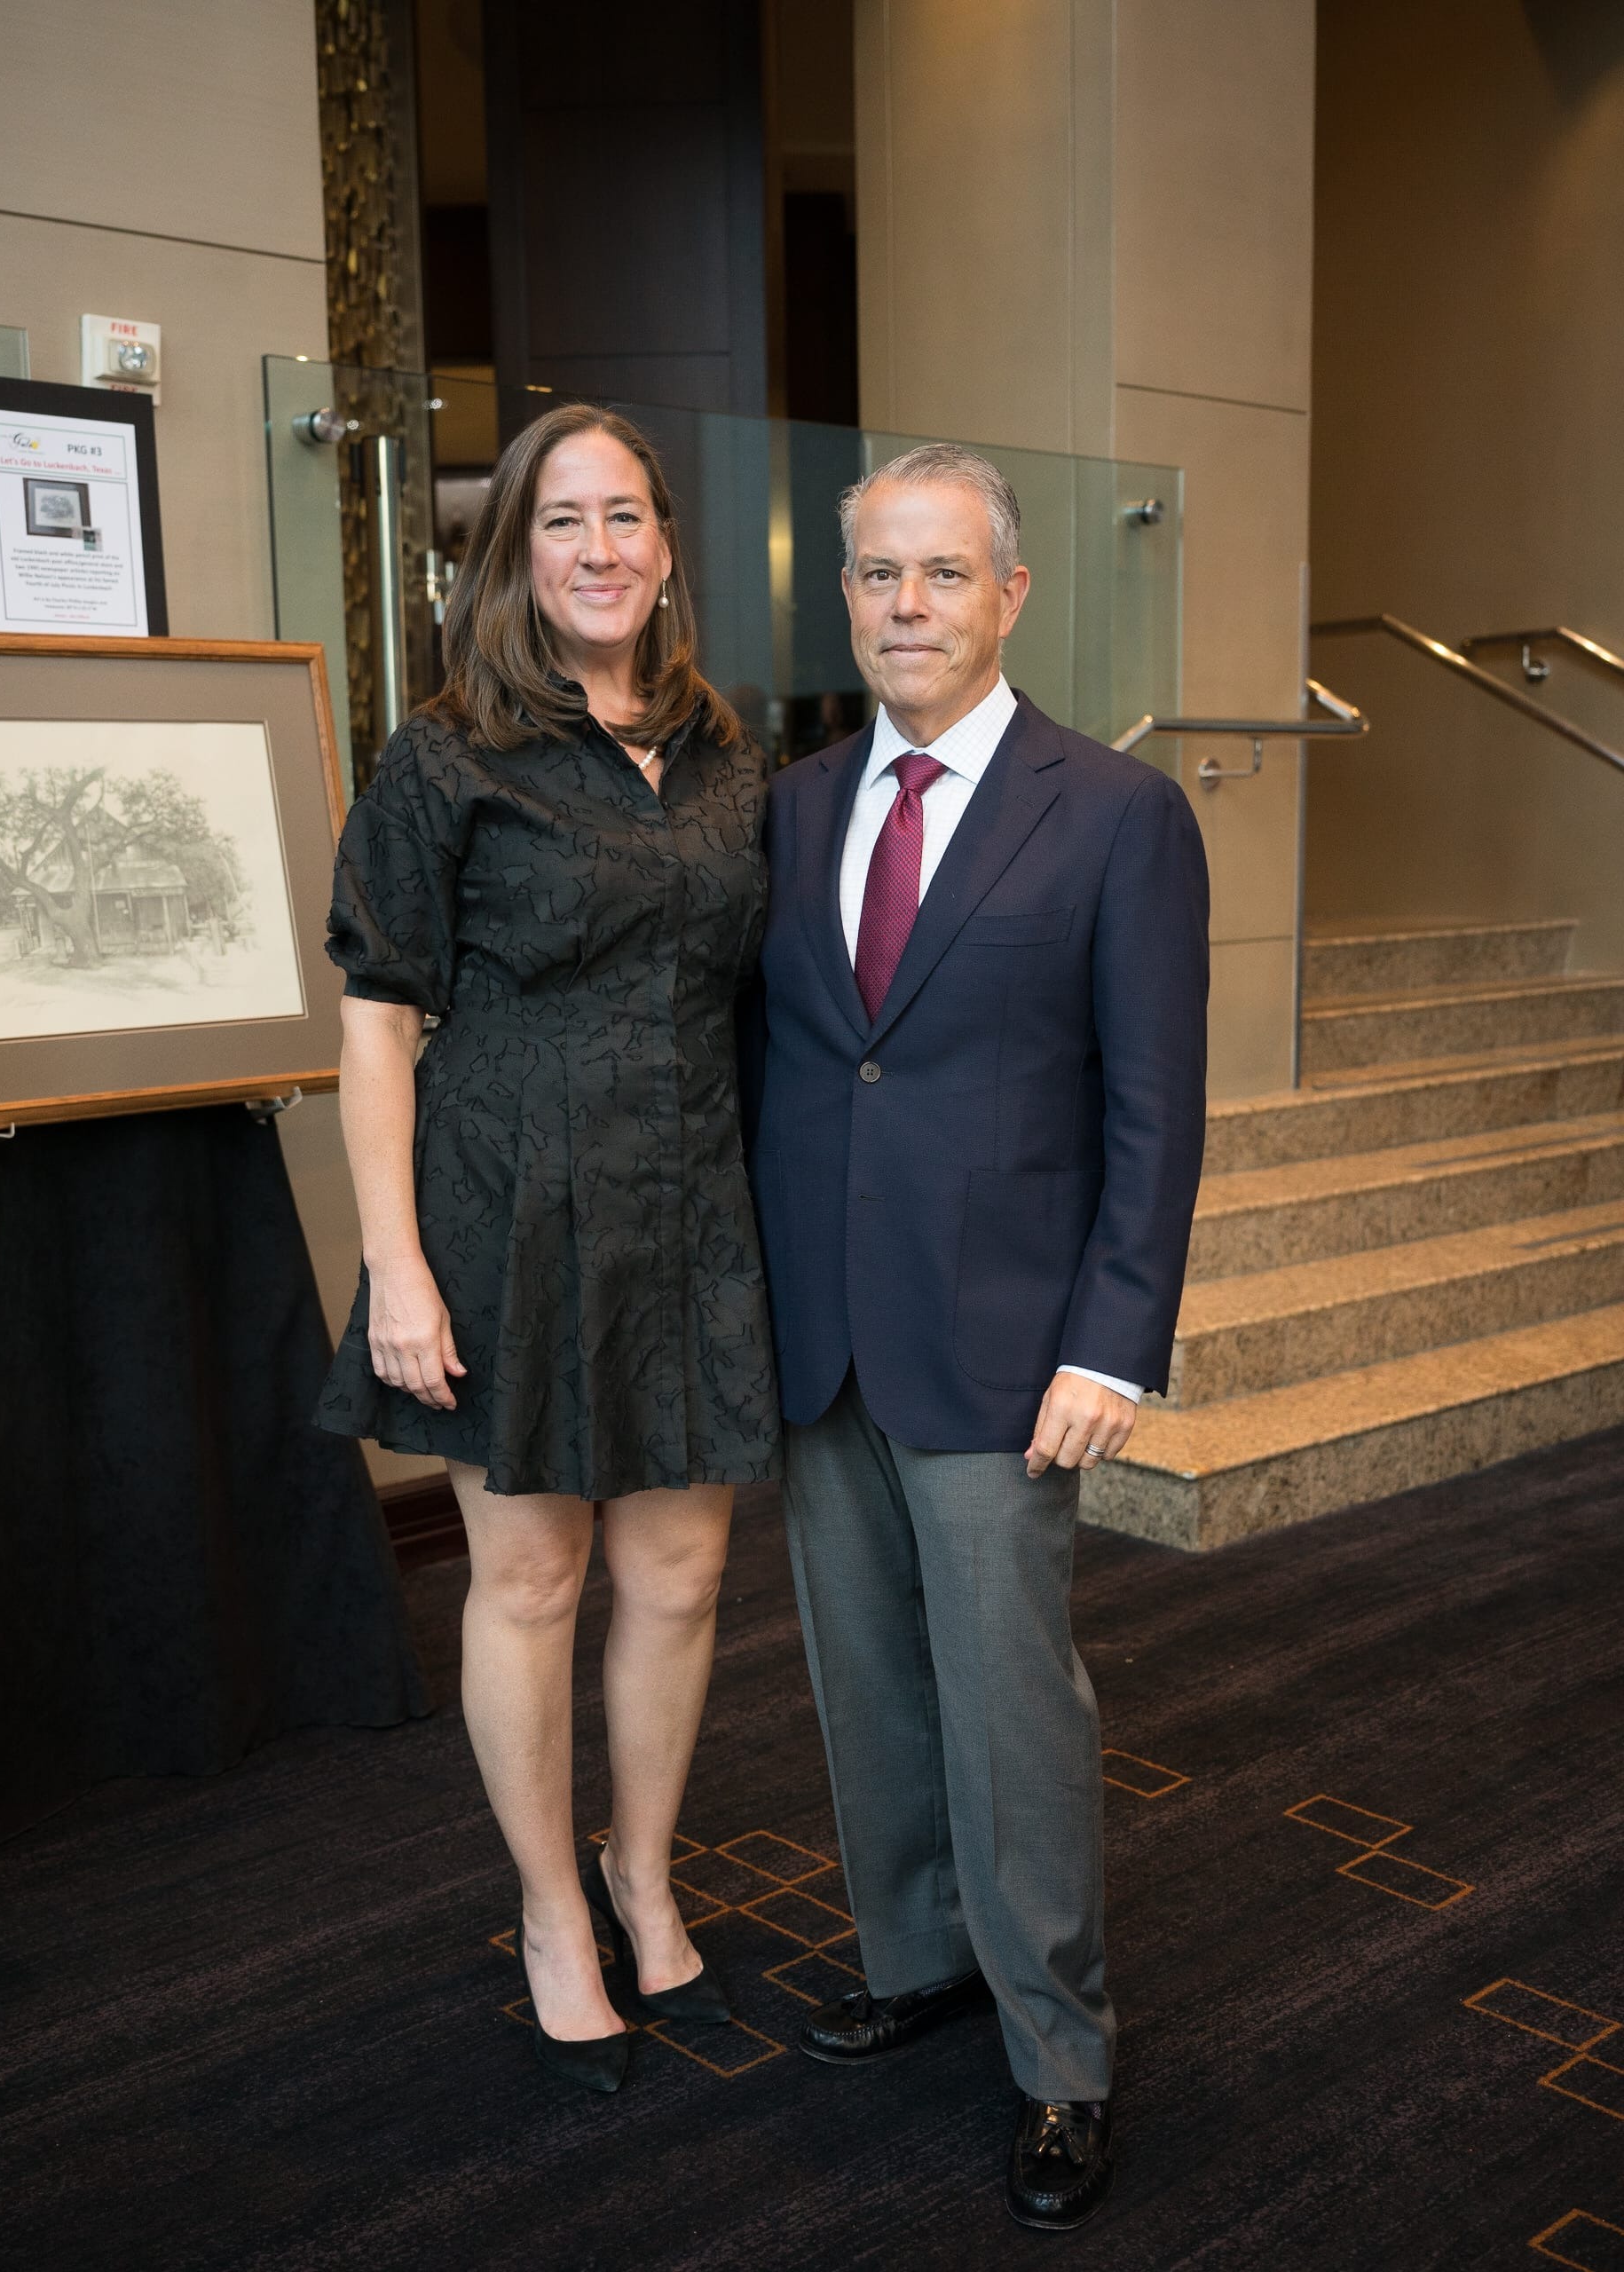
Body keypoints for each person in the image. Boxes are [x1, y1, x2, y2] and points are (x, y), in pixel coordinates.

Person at [744, 444, 1209, 2229]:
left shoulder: (1117, 813)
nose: (908, 604)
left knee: (1013, 1706)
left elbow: (1154, 1106)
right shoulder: (793, 809)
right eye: (879, 573)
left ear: (1012, 593)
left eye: (944, 572)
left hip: (1011, 1349)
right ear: (845, 596)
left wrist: (1114, 1342)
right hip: (823, 1335)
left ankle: (1061, 2056)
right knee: (864, 1679)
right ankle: (918, 1953)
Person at [318, 404, 780, 2094]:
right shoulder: (446, 753)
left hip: (693, 1200)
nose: (599, 548)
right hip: (502, 1205)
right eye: (563, 519)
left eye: (626, 516)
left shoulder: (728, 752)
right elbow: (377, 1024)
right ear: (514, 551)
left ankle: (645, 1878)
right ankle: (549, 1913)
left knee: (681, 1578)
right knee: (529, 1580)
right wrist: (397, 1265)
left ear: (665, 546)